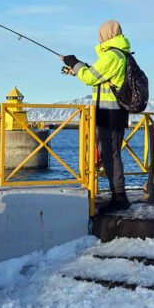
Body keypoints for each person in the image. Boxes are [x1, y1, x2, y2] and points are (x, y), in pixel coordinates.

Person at [61, 20, 132, 212]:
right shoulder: (119, 54)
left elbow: (90, 77)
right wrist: (78, 68)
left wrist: (73, 63)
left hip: (109, 114)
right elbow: (97, 74)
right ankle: (117, 194)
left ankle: (119, 197)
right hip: (114, 113)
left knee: (111, 155)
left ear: (105, 36)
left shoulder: (112, 55)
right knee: (110, 154)